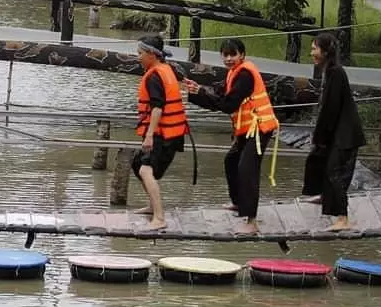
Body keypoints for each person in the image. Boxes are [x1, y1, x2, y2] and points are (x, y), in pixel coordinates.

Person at [184, 38, 279, 234]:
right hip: (247, 129)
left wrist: (202, 91)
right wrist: (196, 91)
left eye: (232, 54)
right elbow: (219, 98)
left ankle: (251, 222)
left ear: (242, 55)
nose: (228, 59)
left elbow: (228, 104)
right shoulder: (233, 74)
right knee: (231, 161)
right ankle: (238, 203)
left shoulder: (245, 75)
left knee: (247, 169)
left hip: (260, 127)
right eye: (225, 55)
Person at [300, 33, 365, 231]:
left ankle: (343, 218)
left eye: (314, 49)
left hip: (344, 134)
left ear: (326, 51)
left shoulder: (335, 72)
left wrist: (320, 137)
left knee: (335, 173)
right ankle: (325, 197)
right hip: (336, 132)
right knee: (322, 165)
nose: (312, 53)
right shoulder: (329, 70)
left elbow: (331, 108)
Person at [131, 34, 189, 230]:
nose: (138, 57)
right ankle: (151, 206)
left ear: (151, 55)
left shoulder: (155, 75)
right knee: (137, 162)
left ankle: (159, 218)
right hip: (170, 133)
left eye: (140, 53)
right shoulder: (166, 69)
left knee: (145, 170)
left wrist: (149, 136)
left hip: (162, 134)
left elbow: (157, 108)